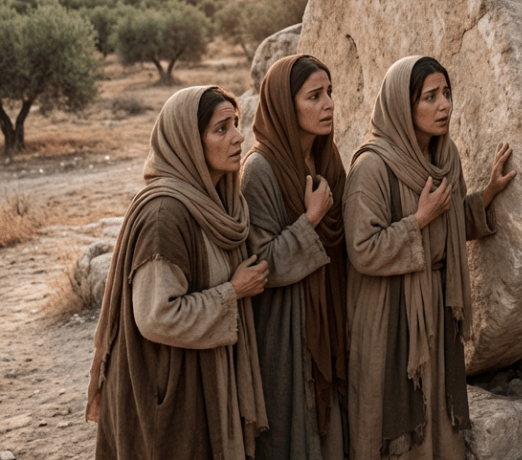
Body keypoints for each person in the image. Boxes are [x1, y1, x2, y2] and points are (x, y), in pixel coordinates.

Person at [344, 55, 516, 459]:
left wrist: (486, 196)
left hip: (435, 305)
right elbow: (362, 250)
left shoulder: (445, 157)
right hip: (389, 313)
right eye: (430, 96)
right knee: (394, 413)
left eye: (447, 93)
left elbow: (449, 228)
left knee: (436, 409)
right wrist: (417, 219)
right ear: (403, 106)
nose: (444, 105)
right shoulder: (372, 167)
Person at [86, 85, 270, 459]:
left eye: (235, 124)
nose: (238, 137)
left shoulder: (215, 202)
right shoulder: (165, 214)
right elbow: (157, 316)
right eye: (221, 129)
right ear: (188, 142)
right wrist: (232, 292)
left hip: (203, 375)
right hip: (168, 386)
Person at [240, 54, 348, 459]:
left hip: (329, 314)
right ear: (286, 105)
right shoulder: (259, 170)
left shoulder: (325, 159)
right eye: (315, 96)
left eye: (330, 93)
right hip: (285, 326)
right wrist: (311, 218)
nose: (329, 104)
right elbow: (262, 262)